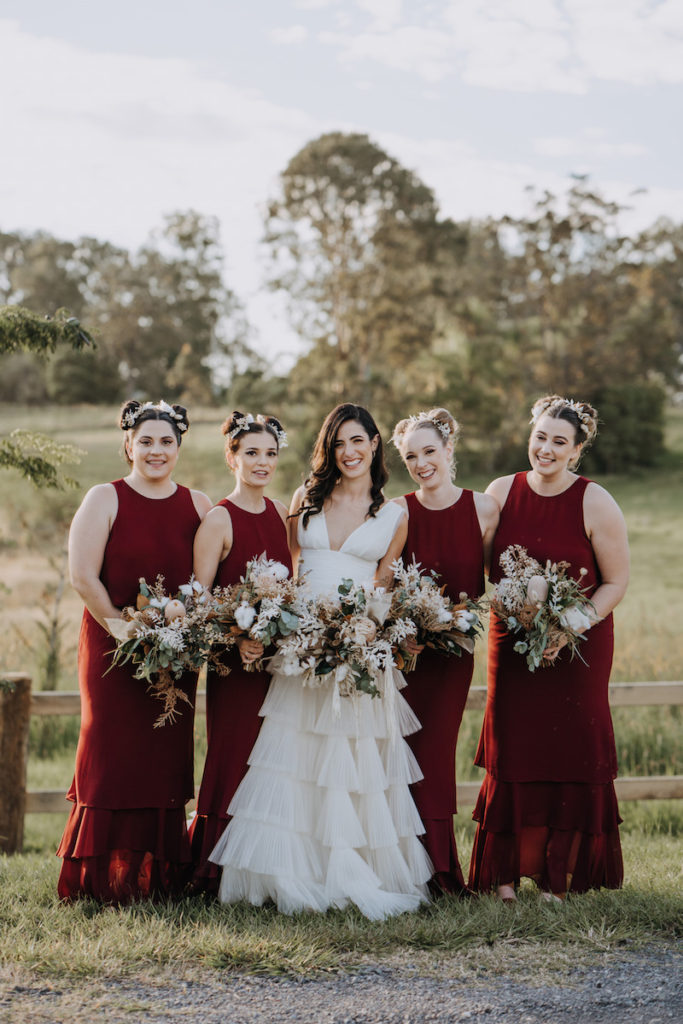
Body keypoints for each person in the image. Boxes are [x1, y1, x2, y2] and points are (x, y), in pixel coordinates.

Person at [210, 403, 432, 918]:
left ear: (375, 445)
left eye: (358, 441)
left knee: (351, 762)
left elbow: (383, 584)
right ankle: (288, 869)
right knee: (292, 753)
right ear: (328, 450)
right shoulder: (305, 500)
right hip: (299, 646)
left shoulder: (394, 514)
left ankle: (352, 872)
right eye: (338, 444)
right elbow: (292, 569)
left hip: (356, 647)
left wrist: (364, 635)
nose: (349, 452)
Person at [469, 395, 629, 901]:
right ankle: (505, 876)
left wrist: (570, 624)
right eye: (540, 437)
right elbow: (482, 568)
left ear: (576, 450)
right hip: (512, 644)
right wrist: (512, 610)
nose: (546, 448)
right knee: (515, 749)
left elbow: (617, 580)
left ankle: (561, 878)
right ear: (530, 435)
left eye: (559, 442)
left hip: (578, 648)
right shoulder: (500, 492)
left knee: (571, 749)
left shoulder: (595, 500)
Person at [57, 400, 211, 902]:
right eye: (145, 441)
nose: (156, 450)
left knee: (162, 757)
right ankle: (100, 880)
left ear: (179, 447)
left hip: (175, 657)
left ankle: (157, 879)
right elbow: (83, 576)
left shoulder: (200, 506)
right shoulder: (105, 498)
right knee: (109, 754)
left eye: (166, 441)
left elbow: (208, 584)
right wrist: (124, 631)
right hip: (111, 648)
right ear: (128, 444)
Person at [392, 408, 499, 894]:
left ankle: (437, 870)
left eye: (429, 452)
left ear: (449, 449)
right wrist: (400, 630)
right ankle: (398, 867)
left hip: (453, 657)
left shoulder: (484, 510)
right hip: (404, 658)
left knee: (434, 755)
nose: (421, 463)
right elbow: (384, 584)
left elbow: (499, 580)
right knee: (396, 755)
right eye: (411, 456)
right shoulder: (398, 511)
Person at [189, 412, 292, 893]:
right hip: (235, 667)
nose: (262, 462)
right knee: (234, 758)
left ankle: (264, 869)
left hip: (275, 666)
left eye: (270, 453)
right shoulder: (218, 519)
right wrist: (237, 637)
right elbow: (200, 601)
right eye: (251, 452)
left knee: (271, 760)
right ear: (232, 457)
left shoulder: (277, 516)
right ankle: (217, 872)